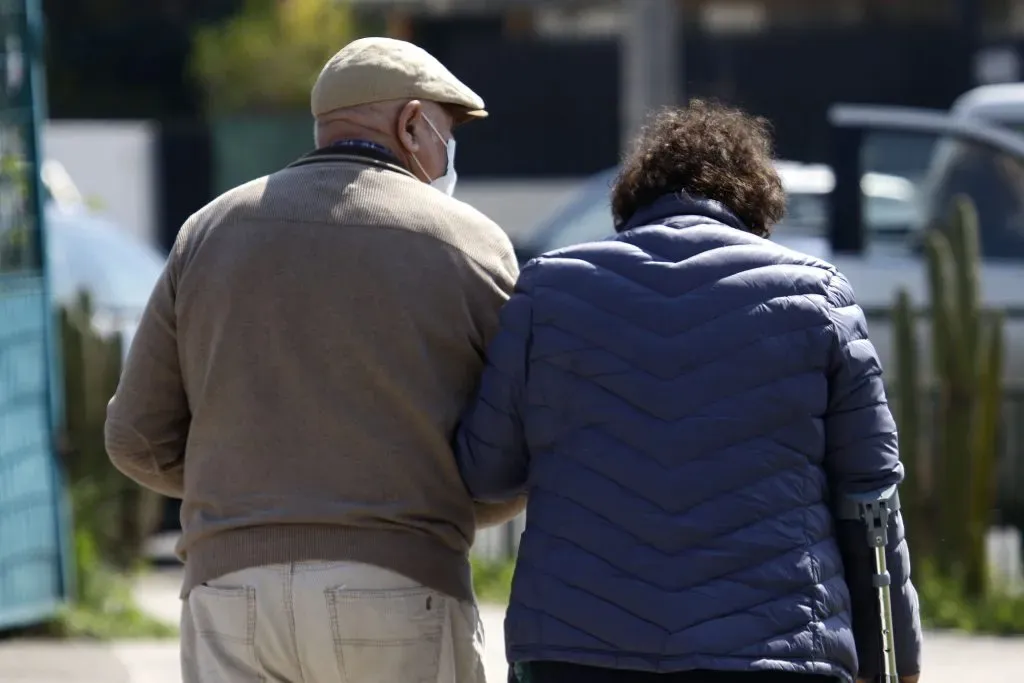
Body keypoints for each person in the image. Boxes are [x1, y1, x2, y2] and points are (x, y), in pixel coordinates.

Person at [454, 100, 922, 683]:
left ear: (630, 202)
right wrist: (895, 660)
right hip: (776, 650)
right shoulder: (817, 297)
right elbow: (871, 502)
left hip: (579, 651)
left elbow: (486, 473)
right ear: (756, 206)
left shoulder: (549, 289)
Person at [106, 36, 524, 683]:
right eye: (445, 130)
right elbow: (512, 449)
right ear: (412, 124)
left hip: (229, 591)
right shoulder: (470, 244)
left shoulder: (208, 232)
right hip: (399, 581)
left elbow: (134, 434)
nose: (448, 151)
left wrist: (251, 487)